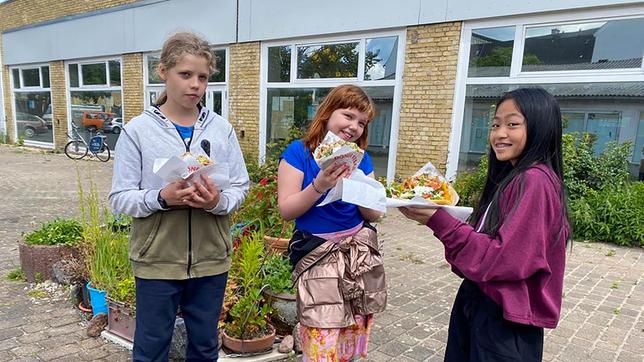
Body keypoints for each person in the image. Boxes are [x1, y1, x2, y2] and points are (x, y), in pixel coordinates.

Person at [400, 87, 570, 361]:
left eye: (512, 124)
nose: (499, 134)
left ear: (541, 127)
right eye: (495, 124)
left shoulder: (535, 181)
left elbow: (500, 259)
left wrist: (438, 219)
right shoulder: (514, 177)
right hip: (482, 304)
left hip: (504, 322)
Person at [109, 32, 249, 361]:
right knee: (151, 348)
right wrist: (161, 197)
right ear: (163, 72)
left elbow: (240, 186)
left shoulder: (221, 130)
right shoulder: (138, 131)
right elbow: (120, 197)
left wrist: (217, 202)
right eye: (185, 75)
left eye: (202, 77)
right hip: (157, 260)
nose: (195, 85)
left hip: (211, 259)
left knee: (204, 347)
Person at [278, 84, 386, 361]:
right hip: (317, 257)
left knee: (350, 335)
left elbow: (373, 215)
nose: (354, 127)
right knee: (321, 338)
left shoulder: (361, 158)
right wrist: (320, 184)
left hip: (357, 256)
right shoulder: (299, 152)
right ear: (327, 113)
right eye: (348, 115)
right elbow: (287, 210)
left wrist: (357, 186)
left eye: (362, 122)